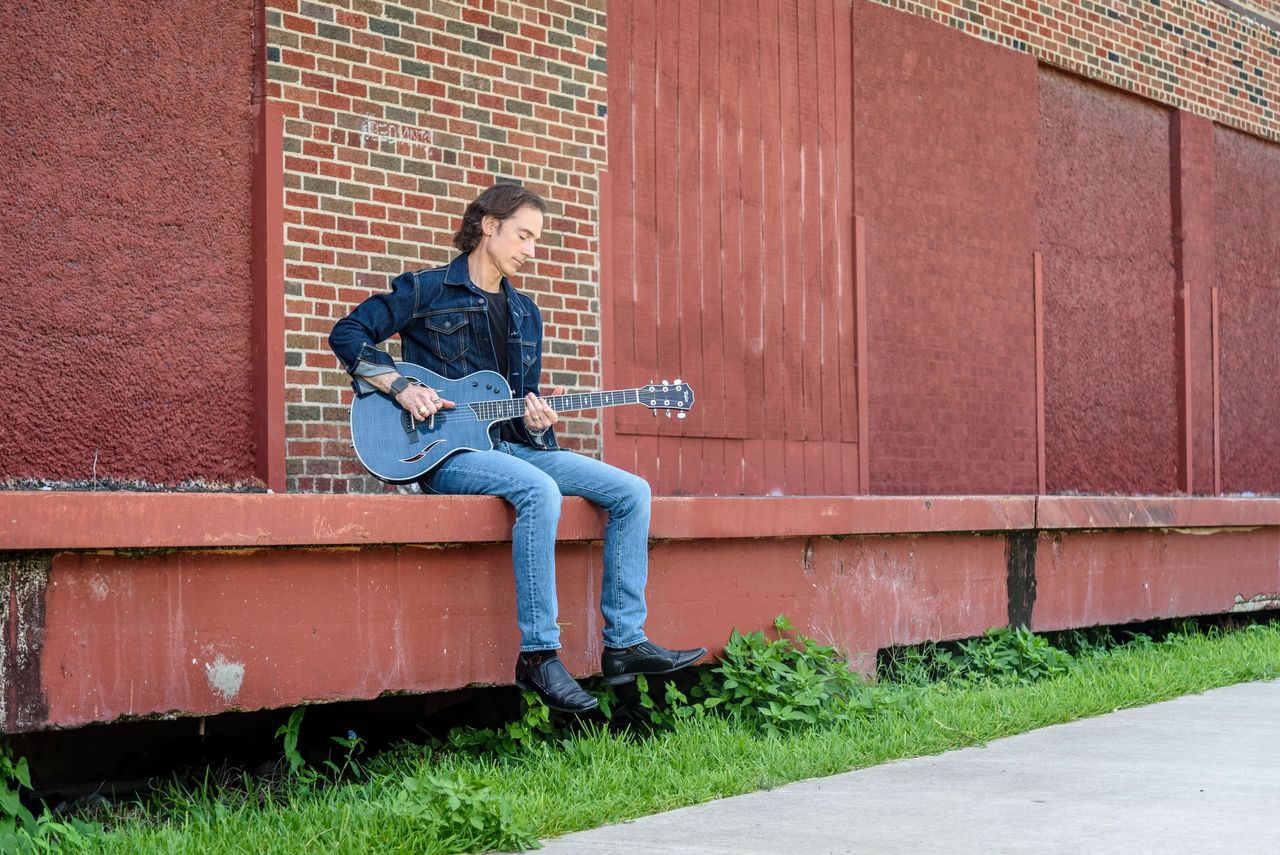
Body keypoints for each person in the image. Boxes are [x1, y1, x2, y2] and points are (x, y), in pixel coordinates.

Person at [329, 183, 705, 713]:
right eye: (523, 236)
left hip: (509, 448)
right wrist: (401, 387)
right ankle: (539, 655)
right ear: (489, 225)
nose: (531, 250)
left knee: (632, 492)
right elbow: (348, 333)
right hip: (443, 455)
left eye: (536, 240)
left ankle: (624, 644)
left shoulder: (527, 313)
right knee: (540, 490)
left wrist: (538, 421)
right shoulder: (426, 290)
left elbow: (520, 404)